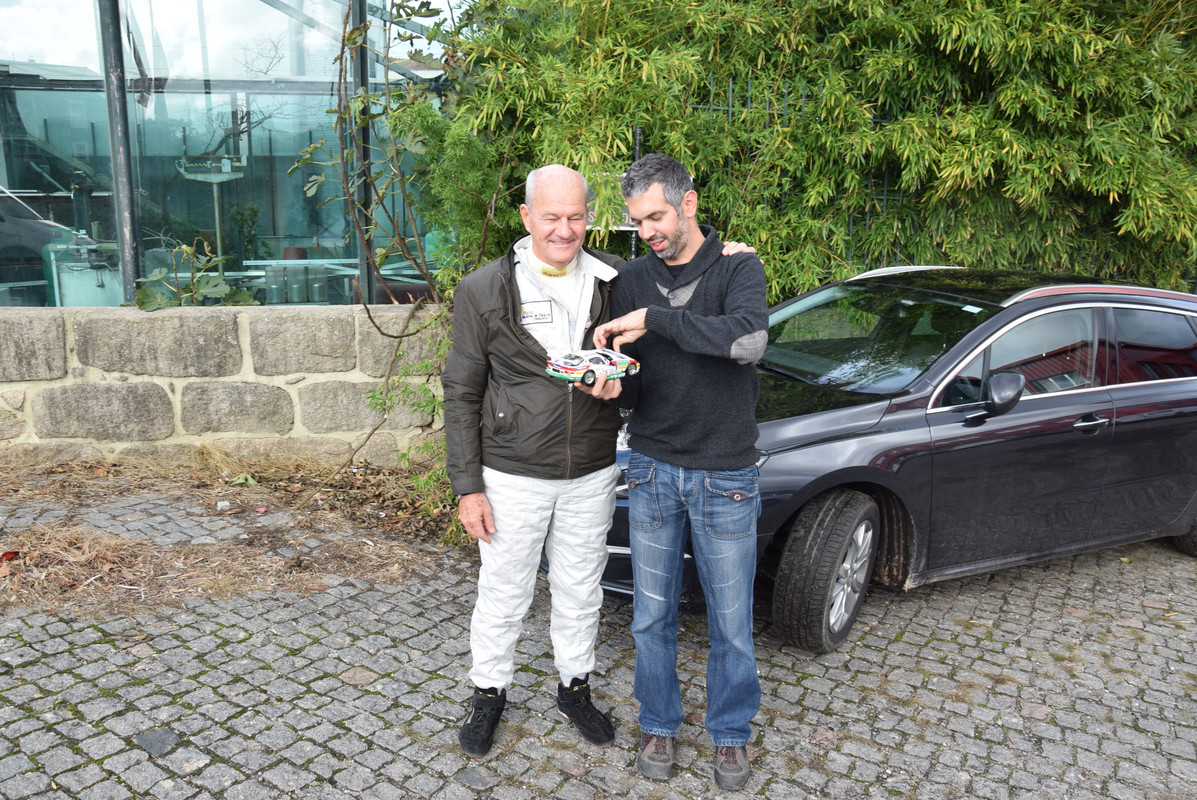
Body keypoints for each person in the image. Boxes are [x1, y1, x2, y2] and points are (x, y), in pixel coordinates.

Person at [591, 153, 769, 791]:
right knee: (650, 617)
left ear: (688, 203)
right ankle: (659, 723)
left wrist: (656, 319)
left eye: (657, 217)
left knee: (731, 624)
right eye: (637, 221)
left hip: (725, 475)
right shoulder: (631, 278)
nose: (648, 232)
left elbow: (746, 342)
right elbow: (637, 378)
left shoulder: (739, 267)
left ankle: (730, 735)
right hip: (651, 468)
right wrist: (614, 388)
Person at [442, 164, 625, 758]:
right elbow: (461, 391)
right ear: (526, 216)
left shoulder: (614, 279)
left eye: (575, 216)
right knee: (504, 591)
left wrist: (726, 255)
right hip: (511, 473)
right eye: (551, 217)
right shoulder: (483, 289)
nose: (564, 229)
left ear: (588, 217)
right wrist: (468, 487)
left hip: (591, 470)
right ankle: (488, 693)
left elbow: (681, 277)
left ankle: (574, 688)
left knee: (582, 588)